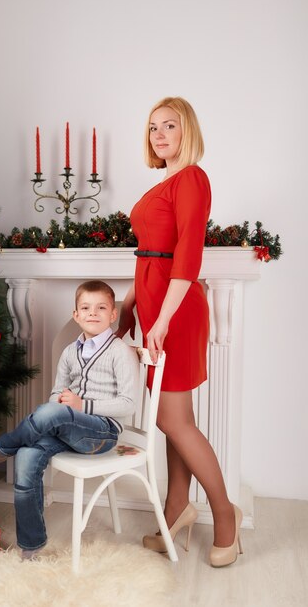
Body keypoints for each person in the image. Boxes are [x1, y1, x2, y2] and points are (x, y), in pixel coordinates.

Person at [116, 97, 243, 568]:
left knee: (173, 420)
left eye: (170, 125)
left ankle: (225, 516)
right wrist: (132, 304)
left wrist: (164, 319)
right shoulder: (164, 182)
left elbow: (187, 255)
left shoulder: (192, 178)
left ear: (187, 130)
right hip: (155, 306)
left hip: (178, 309)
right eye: (153, 128)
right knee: (176, 415)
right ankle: (176, 508)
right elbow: (149, 254)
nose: (160, 134)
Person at [0, 280, 138, 560]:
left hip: (100, 434)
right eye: (86, 308)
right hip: (66, 426)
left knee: (52, 412)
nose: (93, 313)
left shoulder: (120, 352)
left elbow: (128, 404)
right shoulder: (69, 352)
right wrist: (59, 407)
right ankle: (31, 547)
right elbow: (57, 393)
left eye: (102, 307)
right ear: (76, 315)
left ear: (113, 314)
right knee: (28, 455)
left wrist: (81, 405)